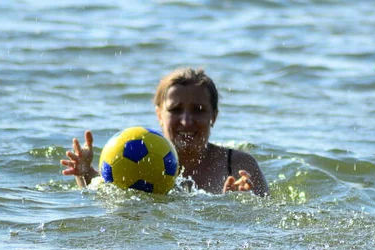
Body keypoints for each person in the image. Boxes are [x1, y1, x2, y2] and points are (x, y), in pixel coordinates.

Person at [60, 67, 269, 197]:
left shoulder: (239, 166)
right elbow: (108, 201)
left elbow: (266, 222)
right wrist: (85, 173)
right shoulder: (134, 157)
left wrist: (239, 204)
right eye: (175, 110)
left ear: (213, 116)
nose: (186, 121)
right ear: (159, 115)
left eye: (199, 110)